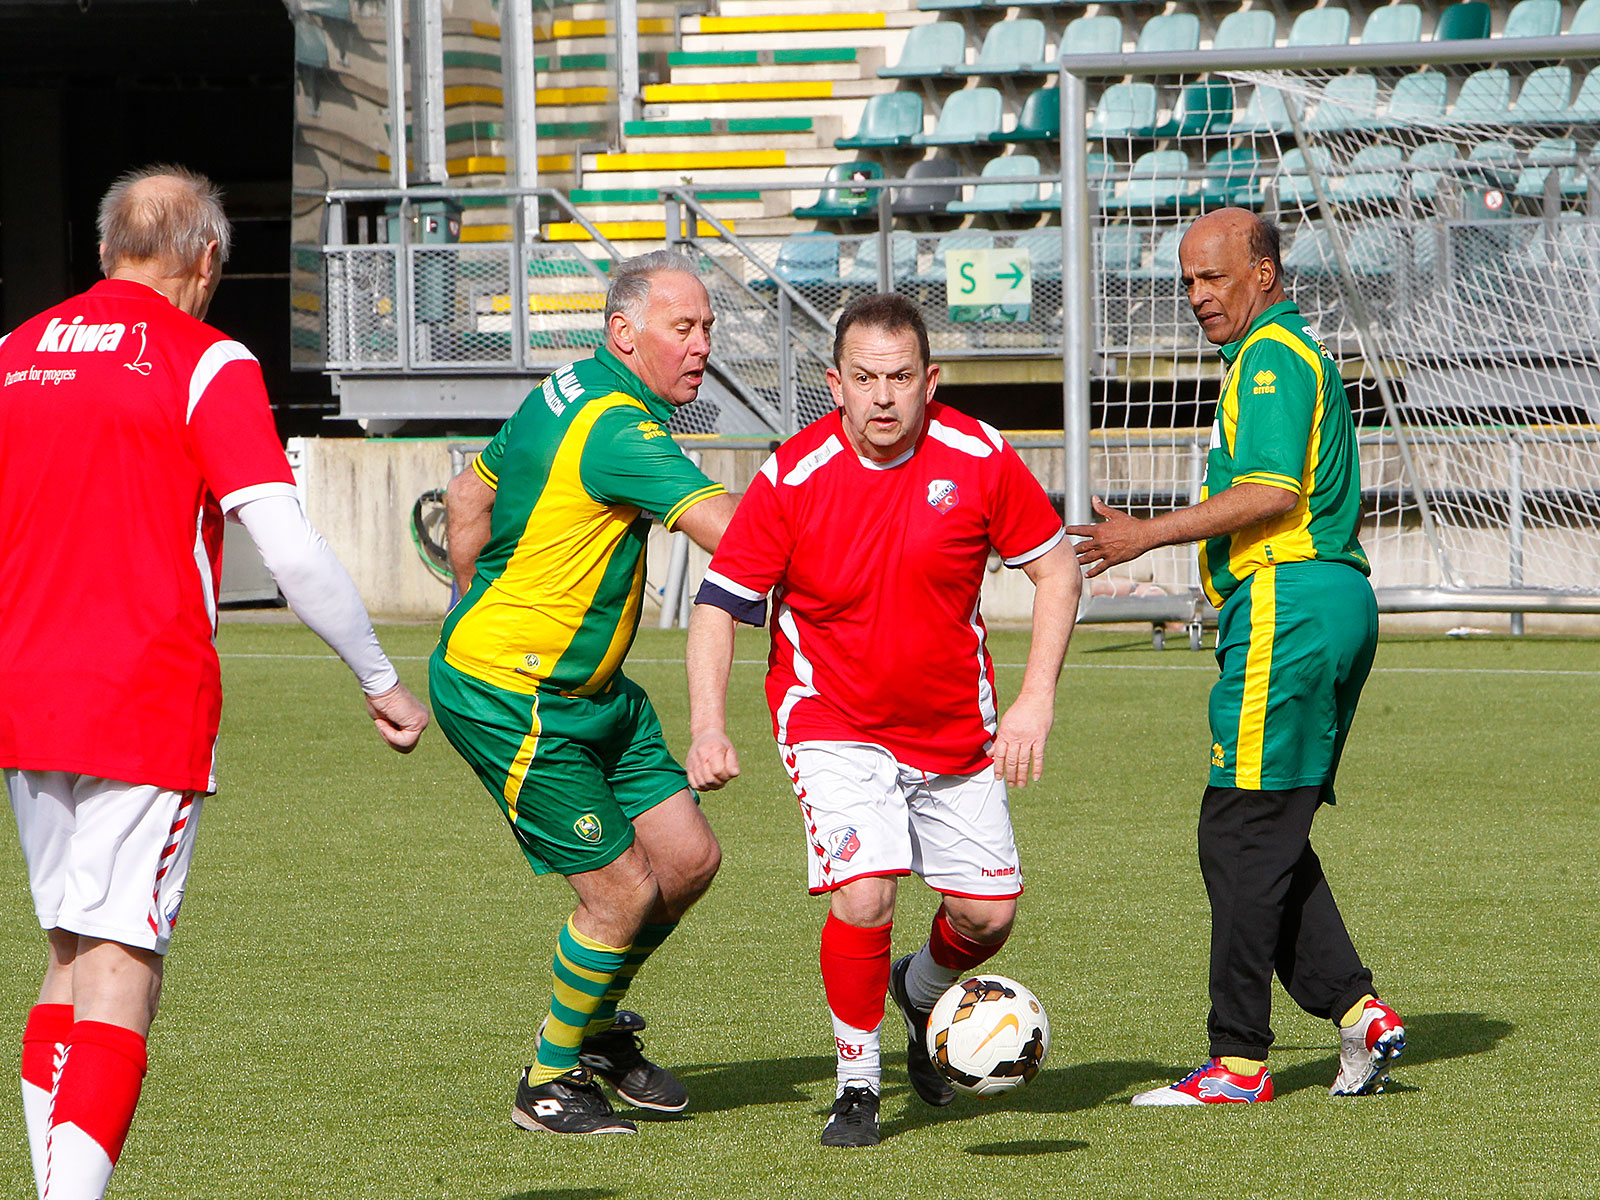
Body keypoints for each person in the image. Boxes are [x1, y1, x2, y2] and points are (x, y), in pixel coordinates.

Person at [0, 164, 431, 1200]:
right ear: (205, 260)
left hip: (25, 696)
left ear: (105, 252)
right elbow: (285, 544)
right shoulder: (204, 359)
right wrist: (379, 675)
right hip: (139, 699)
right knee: (119, 963)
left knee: (67, 951)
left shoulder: (15, 354)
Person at [685, 293, 1080, 1147]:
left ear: (929, 379)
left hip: (951, 727)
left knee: (987, 918)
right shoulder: (792, 475)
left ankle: (922, 991)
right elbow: (720, 603)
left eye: (901, 377)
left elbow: (1056, 571)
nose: (883, 397)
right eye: (864, 378)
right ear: (836, 383)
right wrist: (708, 725)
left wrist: (1035, 697)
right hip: (831, 717)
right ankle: (856, 1082)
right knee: (866, 892)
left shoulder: (979, 455)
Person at [1065, 208, 1404, 1106]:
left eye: (1213, 277)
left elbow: (1270, 489)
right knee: (1262, 831)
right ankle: (1359, 1015)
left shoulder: (1269, 357)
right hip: (1314, 606)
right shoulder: (1282, 355)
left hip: (1290, 606)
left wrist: (1146, 536)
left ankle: (1239, 1060)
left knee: (1242, 832)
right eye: (1186, 280)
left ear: (1263, 273)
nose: (1196, 296)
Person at [430, 250, 738, 1136]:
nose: (702, 347)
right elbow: (735, 535)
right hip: (512, 694)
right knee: (619, 893)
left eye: (707, 328)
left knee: (686, 860)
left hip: (591, 691)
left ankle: (598, 1029)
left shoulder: (565, 388)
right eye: (684, 329)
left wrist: (466, 599)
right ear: (624, 332)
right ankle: (547, 1080)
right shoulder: (617, 427)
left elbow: (464, 495)